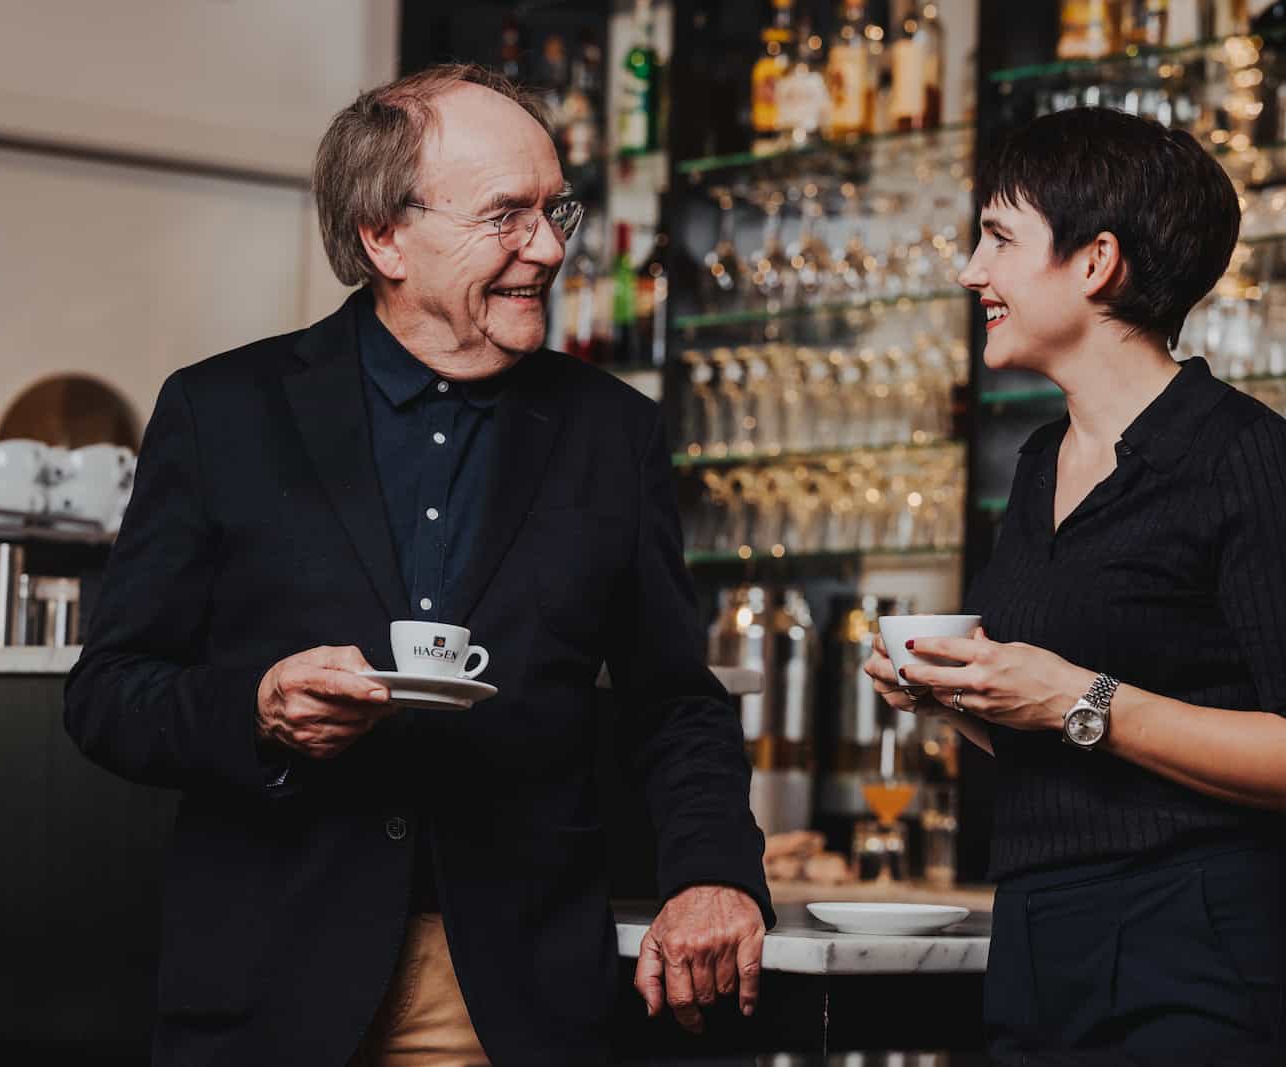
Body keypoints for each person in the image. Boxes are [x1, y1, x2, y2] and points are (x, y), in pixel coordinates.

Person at [64, 64, 772, 1066]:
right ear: (382, 236)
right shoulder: (222, 412)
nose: (551, 246)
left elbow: (673, 700)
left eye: (554, 207)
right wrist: (259, 709)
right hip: (268, 996)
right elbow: (110, 694)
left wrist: (714, 875)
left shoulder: (612, 433)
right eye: (506, 215)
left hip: (509, 1001)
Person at [865, 107, 1286, 1059]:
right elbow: (1064, 739)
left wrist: (1073, 696)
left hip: (1200, 946)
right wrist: (957, 696)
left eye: (1000, 239)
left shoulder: (1242, 451)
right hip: (1036, 936)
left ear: (1096, 263)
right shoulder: (1038, 462)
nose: (972, 271)